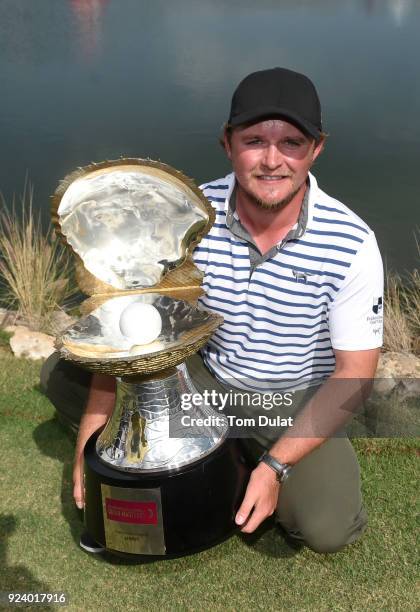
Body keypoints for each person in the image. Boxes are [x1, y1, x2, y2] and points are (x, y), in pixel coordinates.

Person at [41, 67, 383, 554]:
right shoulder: (185, 215)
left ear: (316, 149)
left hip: (289, 399)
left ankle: (239, 458)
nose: (271, 161)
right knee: (63, 373)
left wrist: (276, 466)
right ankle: (212, 448)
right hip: (205, 377)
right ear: (227, 143)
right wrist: (93, 442)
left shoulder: (352, 243)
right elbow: (126, 316)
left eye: (291, 142)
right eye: (254, 140)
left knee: (328, 528)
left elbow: (356, 375)